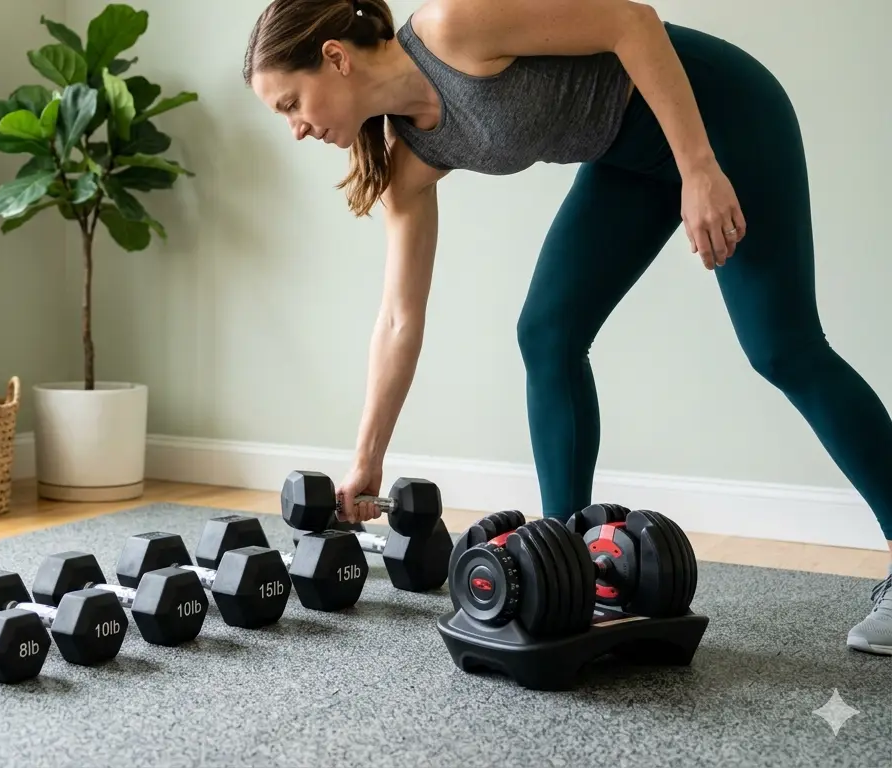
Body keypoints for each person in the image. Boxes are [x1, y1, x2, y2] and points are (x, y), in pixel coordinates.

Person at [244, 0, 892, 655]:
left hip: (719, 113)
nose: (294, 128)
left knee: (784, 349)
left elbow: (632, 23)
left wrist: (698, 168)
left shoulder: (451, 28)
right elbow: (398, 318)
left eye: (289, 103)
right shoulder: (408, 160)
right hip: (628, 156)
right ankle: (565, 561)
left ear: (334, 57)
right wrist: (367, 461)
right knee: (548, 334)